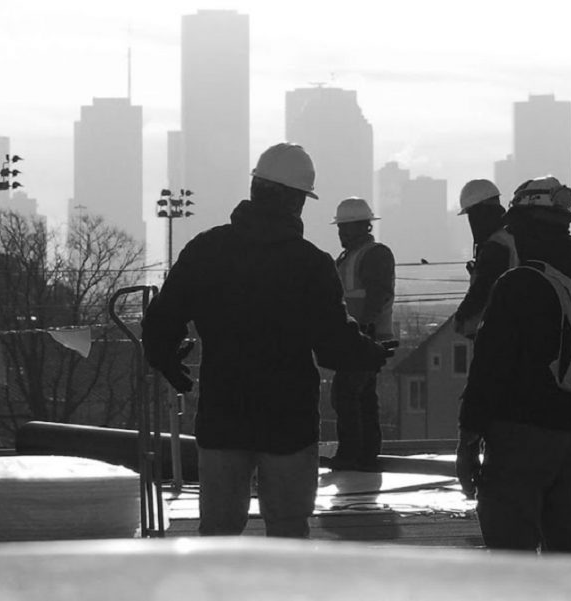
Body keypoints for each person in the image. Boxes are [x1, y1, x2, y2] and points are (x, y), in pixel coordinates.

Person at [141, 143, 393, 538]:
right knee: (288, 536)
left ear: (256, 187)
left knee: (219, 535)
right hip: (287, 423)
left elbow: (159, 323)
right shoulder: (309, 263)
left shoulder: (207, 250)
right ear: (297, 201)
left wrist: (173, 367)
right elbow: (333, 345)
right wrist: (373, 354)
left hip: (223, 417)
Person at [457, 176, 571, 553]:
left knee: (512, 564)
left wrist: (468, 437)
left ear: (526, 225)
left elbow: (489, 369)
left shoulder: (518, 284)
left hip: (520, 439)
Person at [329, 197, 395, 472]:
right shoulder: (348, 257)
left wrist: (362, 328)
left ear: (363, 226)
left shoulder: (374, 254)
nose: (342, 233)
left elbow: (377, 296)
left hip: (366, 337)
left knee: (346, 393)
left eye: (347, 227)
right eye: (340, 227)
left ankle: (352, 454)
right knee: (362, 396)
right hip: (356, 337)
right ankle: (365, 453)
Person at [453, 179, 519, 339]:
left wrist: (461, 315)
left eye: (471, 214)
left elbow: (483, 288)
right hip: (511, 326)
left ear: (479, 212)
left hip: (495, 330)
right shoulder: (509, 238)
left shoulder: (495, 245)